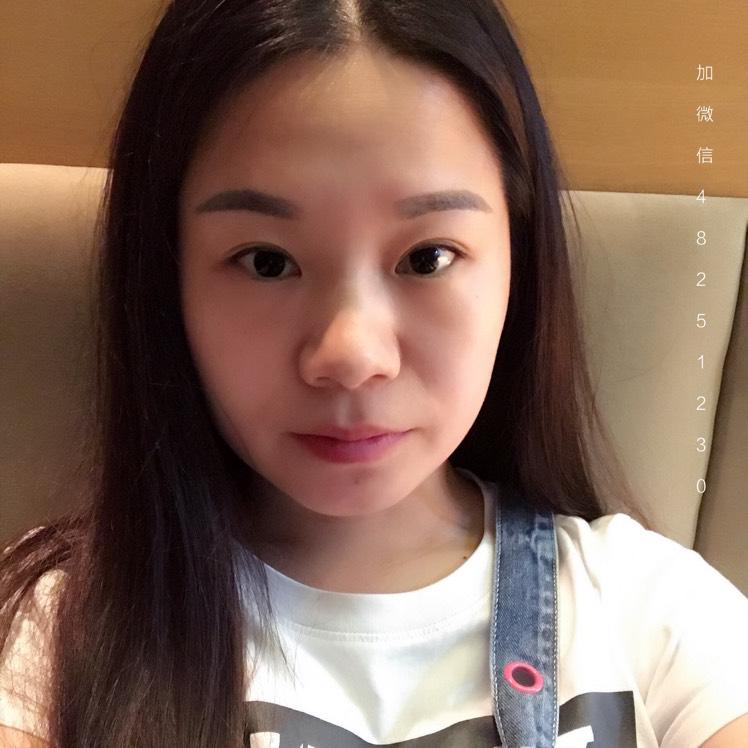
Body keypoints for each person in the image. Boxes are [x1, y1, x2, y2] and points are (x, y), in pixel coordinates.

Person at [1, 1, 747, 746]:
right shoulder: (59, 629)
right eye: (266, 262)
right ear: (168, 281)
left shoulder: (652, 612)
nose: (352, 355)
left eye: (427, 258)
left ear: (517, 266)